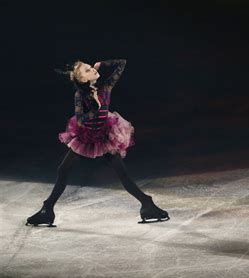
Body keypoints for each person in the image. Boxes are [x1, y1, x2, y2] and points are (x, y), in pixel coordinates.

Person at [25, 59, 169, 227]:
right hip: (86, 138)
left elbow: (122, 64)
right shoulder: (80, 95)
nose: (92, 69)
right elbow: (79, 122)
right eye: (87, 70)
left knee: (122, 174)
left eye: (90, 66)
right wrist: (96, 106)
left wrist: (103, 63)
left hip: (105, 137)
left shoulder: (106, 87)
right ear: (83, 80)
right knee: (63, 170)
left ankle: (147, 204)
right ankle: (47, 210)